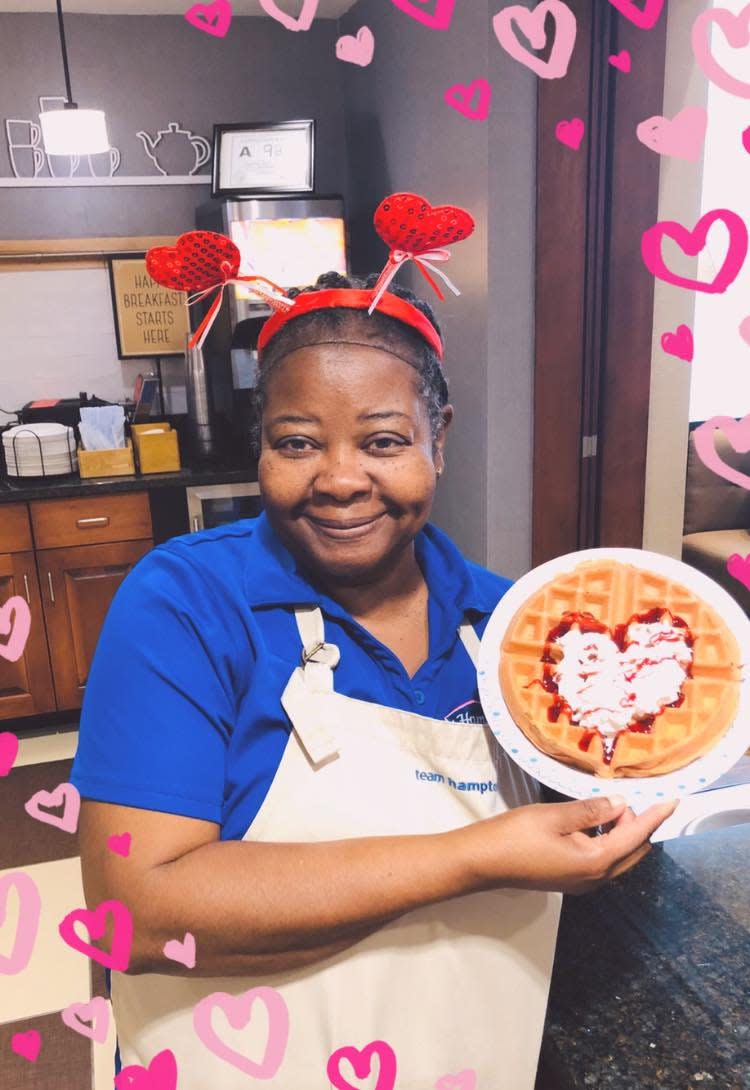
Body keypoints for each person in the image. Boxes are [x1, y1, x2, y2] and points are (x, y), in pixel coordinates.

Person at [71, 270, 676, 1090]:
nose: (341, 479)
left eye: (384, 441)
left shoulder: (517, 630)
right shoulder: (186, 604)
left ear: (440, 439)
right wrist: (473, 857)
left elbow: (592, 814)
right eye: (297, 443)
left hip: (470, 1056)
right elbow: (135, 918)